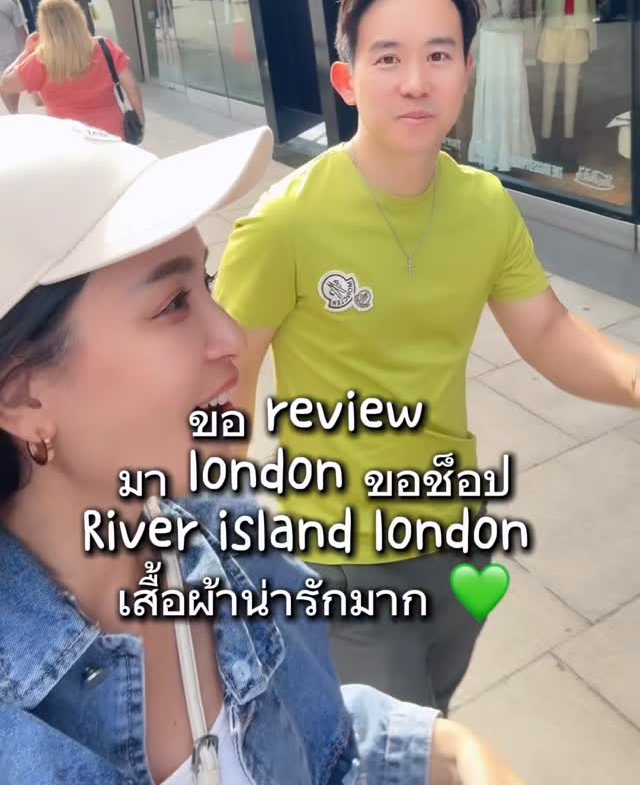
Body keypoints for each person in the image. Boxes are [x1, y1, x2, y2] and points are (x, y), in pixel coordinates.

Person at [0, 113, 524, 785]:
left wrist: (444, 750)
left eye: (206, 284)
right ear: (23, 397)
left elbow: (310, 731)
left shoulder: (231, 544)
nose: (231, 336)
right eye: (173, 304)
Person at [214, 0, 640, 712]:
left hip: (454, 528)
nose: (416, 82)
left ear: (467, 72)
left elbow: (548, 331)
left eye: (439, 55)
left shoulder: (485, 205)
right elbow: (224, 388)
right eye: (388, 58)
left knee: (435, 703)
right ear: (347, 79)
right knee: (403, 749)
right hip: (341, 552)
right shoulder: (283, 224)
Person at [0, 0, 144, 140]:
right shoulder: (105, 47)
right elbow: (131, 87)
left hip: (70, 139)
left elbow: (5, 84)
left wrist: (25, 52)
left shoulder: (40, 60)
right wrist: (140, 122)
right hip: (112, 135)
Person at [0, 0, 27, 114]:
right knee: (6, 85)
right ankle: (13, 112)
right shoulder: (5, 1)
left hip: (12, 52)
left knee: (7, 85)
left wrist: (28, 47)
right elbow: (20, 27)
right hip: (13, 51)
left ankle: (13, 112)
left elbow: (20, 27)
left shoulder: (5, 2)